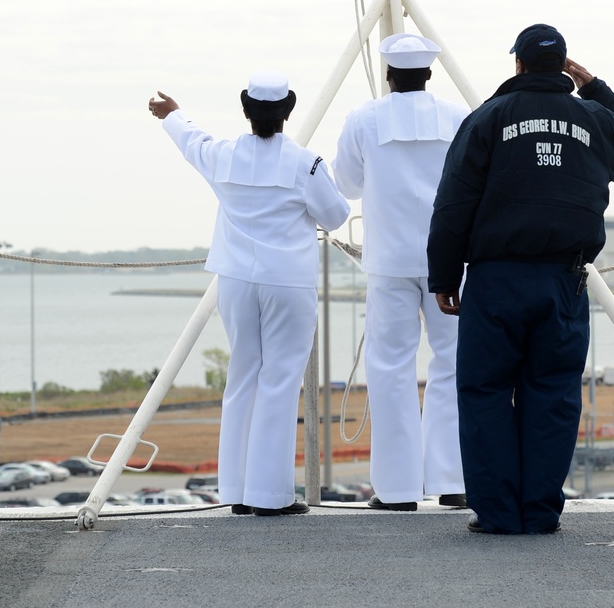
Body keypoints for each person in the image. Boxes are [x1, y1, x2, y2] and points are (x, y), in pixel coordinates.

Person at [427, 23, 614, 535]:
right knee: (553, 396)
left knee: (485, 393)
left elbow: (454, 202)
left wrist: (444, 274)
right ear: (564, 66)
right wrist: (595, 88)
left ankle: (497, 514)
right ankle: (540, 512)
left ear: (519, 64)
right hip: (563, 281)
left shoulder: (488, 118)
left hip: (495, 280)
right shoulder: (592, 118)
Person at [149, 71, 350, 516]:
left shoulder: (224, 156)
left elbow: (191, 141)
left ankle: (237, 492)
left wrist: (172, 114)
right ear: (288, 112)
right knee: (279, 382)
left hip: (236, 281)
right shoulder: (307, 163)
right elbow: (335, 216)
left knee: (242, 377)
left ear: (246, 110)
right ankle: (270, 496)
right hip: (287, 282)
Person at [332, 33, 469, 512]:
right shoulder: (458, 117)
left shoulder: (363, 119)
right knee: (453, 364)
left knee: (390, 368)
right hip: (450, 260)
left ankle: (397, 490)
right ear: (429, 73)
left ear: (388, 74)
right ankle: (453, 480)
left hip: (389, 262)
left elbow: (346, 184)